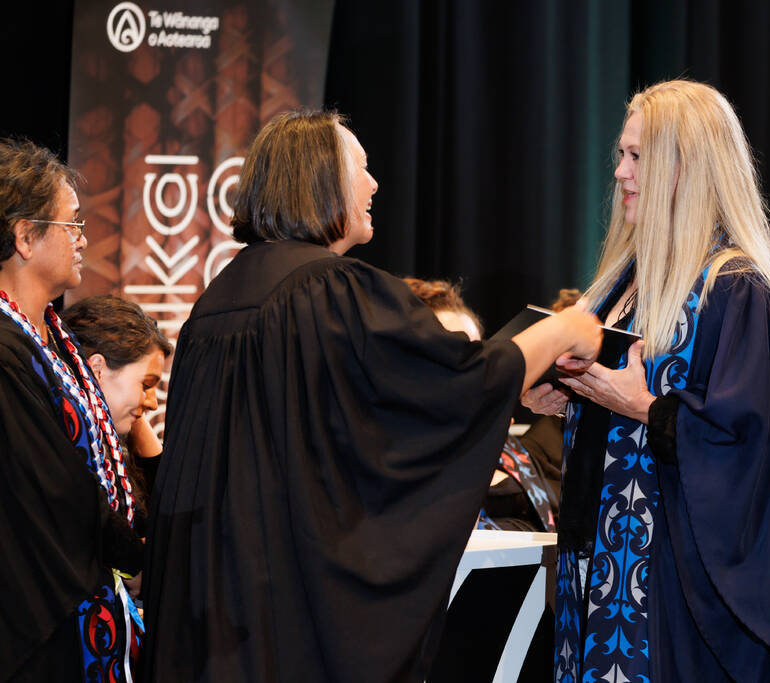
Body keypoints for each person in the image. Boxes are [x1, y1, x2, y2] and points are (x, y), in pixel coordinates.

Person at [140, 110, 601, 683]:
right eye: (361, 167)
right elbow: (449, 388)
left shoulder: (216, 302)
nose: (375, 184)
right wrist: (561, 331)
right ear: (321, 180)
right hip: (286, 612)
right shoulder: (329, 290)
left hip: (210, 605)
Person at [523, 79, 770, 681]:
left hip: (672, 589)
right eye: (621, 154)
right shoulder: (622, 282)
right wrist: (563, 396)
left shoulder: (735, 290)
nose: (620, 172)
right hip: (596, 568)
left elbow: (751, 447)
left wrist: (648, 410)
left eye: (638, 157)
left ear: (689, 168)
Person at [0, 138, 143, 681]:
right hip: (42, 619)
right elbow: (54, 491)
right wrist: (138, 549)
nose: (84, 239)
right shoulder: (6, 350)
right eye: (72, 225)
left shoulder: (56, 338)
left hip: (87, 597)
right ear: (25, 237)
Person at [403, 276, 560, 531]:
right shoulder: (394, 456)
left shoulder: (521, 451)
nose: (469, 371)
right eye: (453, 355)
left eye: (476, 356)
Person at [62, 294, 173, 531]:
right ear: (98, 369)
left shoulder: (106, 447)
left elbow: (162, 501)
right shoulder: (70, 456)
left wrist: (135, 411)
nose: (153, 404)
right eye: (146, 384)